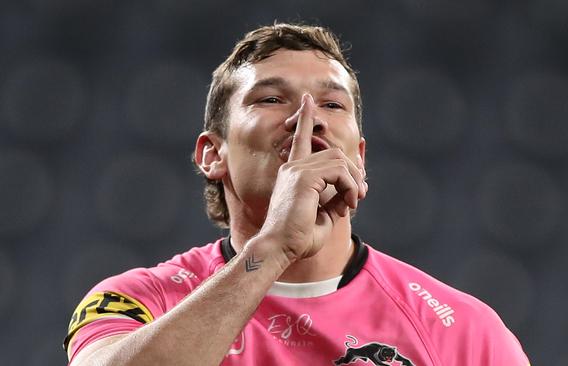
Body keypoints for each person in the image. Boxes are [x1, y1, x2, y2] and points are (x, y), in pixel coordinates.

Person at [64, 23, 530, 366]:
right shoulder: (138, 301)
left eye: (332, 104)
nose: (308, 118)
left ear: (360, 157)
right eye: (271, 99)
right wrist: (274, 248)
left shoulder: (464, 332)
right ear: (212, 154)